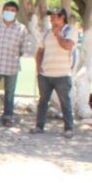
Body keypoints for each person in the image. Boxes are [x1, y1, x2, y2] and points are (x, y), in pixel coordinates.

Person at [31, 7, 75, 138]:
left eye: (54, 17)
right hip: (45, 74)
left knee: (65, 102)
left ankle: (68, 128)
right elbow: (40, 51)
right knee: (43, 101)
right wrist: (38, 67)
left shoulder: (70, 31)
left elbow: (67, 46)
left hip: (62, 74)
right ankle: (39, 126)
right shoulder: (46, 33)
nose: (51, 19)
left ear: (62, 18)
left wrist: (58, 35)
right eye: (51, 17)